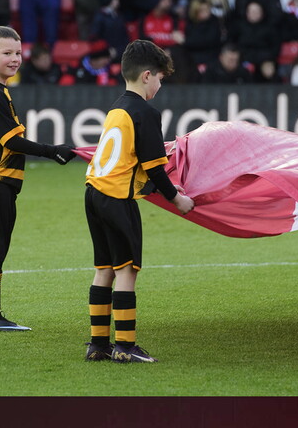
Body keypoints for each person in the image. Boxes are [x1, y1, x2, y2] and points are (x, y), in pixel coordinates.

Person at [83, 39, 194, 363]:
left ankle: (98, 345)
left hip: (93, 192)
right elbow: (154, 167)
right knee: (127, 271)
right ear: (147, 76)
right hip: (117, 198)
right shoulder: (146, 112)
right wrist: (177, 199)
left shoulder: (117, 107)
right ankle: (125, 346)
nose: (160, 85)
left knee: (104, 269)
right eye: (160, 78)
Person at [0, 25, 77, 333]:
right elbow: (11, 141)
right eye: (7, 53)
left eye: (18, 53)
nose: (15, 59)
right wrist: (52, 151)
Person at [230, 0, 280, 80]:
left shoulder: (269, 28)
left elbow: (275, 48)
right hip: (243, 59)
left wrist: (265, 58)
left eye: (257, 11)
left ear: (262, 13)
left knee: (269, 69)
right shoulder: (239, 26)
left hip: (264, 59)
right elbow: (233, 44)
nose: (254, 14)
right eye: (252, 11)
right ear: (247, 13)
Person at [182, 0, 225, 69]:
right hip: (192, 58)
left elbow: (208, 41)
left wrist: (185, 41)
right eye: (202, 10)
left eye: (208, 9)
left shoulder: (214, 21)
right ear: (195, 11)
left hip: (210, 57)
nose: (206, 12)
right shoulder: (190, 23)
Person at [89, 0, 130, 64]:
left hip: (121, 52)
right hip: (106, 55)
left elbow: (124, 35)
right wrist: (107, 51)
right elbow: (95, 38)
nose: (118, 1)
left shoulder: (119, 16)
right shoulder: (99, 17)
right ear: (109, 1)